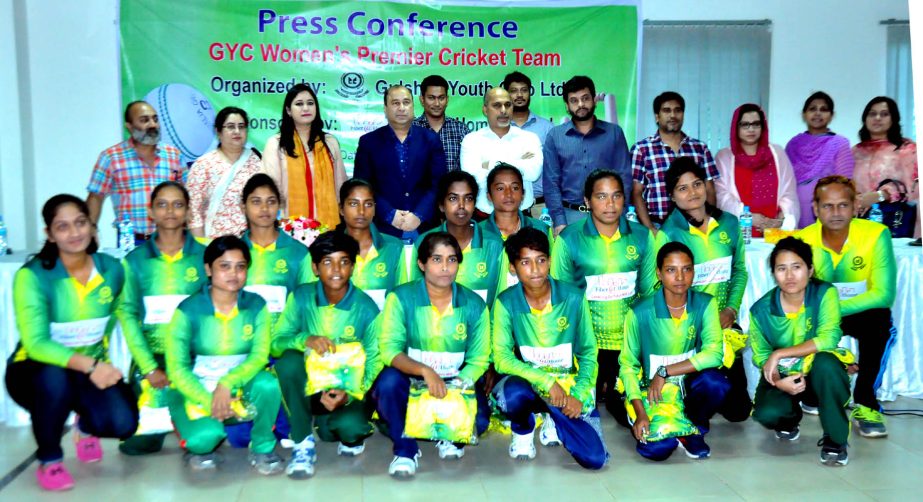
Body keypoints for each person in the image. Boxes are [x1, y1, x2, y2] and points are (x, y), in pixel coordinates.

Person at [5, 194, 138, 491]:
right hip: (34, 372)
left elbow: (127, 317)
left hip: (85, 373)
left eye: (80, 223)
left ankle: (85, 424)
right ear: (49, 234)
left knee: (123, 423)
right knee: (54, 378)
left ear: (92, 226)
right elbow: (36, 343)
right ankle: (50, 459)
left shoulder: (113, 269)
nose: (74, 232)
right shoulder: (33, 276)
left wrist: (149, 365)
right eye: (62, 227)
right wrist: (93, 366)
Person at [374, 232, 491, 478]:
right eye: (437, 259)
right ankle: (405, 450)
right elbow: (389, 350)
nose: (445, 268)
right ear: (421, 264)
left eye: (452, 260)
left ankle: (449, 437)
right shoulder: (401, 297)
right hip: (412, 379)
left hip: (455, 381)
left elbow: (480, 359)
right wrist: (425, 372)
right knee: (387, 383)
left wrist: (455, 388)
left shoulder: (474, 304)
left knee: (478, 422)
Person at [165, 236, 283, 474]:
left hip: (238, 387)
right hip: (197, 390)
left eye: (241, 267)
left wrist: (227, 384)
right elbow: (177, 369)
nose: (234, 274)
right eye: (224, 266)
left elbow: (259, 356)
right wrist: (211, 400)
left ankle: (262, 447)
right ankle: (194, 438)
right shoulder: (188, 311)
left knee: (268, 385)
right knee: (204, 440)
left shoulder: (256, 306)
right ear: (208, 269)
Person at [491, 227, 608, 469]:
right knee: (513, 393)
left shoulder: (573, 297)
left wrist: (579, 393)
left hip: (569, 388)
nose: (535, 270)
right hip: (533, 385)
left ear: (550, 261)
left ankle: (552, 417)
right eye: (525, 262)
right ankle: (523, 431)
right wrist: (546, 381)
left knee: (595, 459)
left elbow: (588, 351)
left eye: (541, 260)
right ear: (513, 267)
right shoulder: (506, 301)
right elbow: (501, 358)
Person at [272, 231, 383, 479]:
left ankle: (338, 426)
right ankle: (302, 443)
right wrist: (305, 339)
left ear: (353, 267)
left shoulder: (366, 308)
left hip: (349, 389)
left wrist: (351, 393)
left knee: (347, 429)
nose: (336, 269)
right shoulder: (301, 297)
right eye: (327, 262)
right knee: (288, 362)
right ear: (315, 267)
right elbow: (276, 343)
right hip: (311, 387)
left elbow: (376, 360)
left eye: (344, 261)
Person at [550, 169, 656, 425]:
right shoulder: (569, 238)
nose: (610, 204)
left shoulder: (642, 236)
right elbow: (560, 299)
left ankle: (615, 393)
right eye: (601, 196)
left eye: (616, 196)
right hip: (586, 347)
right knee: (576, 409)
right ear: (587, 201)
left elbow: (650, 293)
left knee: (630, 413)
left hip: (628, 346)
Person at [797, 176, 897, 438]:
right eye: (827, 206)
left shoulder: (876, 234)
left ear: (855, 206)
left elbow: (884, 295)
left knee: (880, 323)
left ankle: (865, 403)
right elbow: (797, 293)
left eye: (843, 205)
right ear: (815, 209)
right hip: (821, 314)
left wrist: (834, 307)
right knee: (798, 320)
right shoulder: (803, 240)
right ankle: (810, 391)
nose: (836, 212)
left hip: (862, 311)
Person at [654, 158, 751, 421]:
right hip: (689, 328)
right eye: (682, 188)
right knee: (708, 388)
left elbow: (739, 270)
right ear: (672, 196)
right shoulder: (668, 234)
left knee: (739, 413)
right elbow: (661, 286)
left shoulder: (729, 223)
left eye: (697, 184)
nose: (693, 192)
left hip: (726, 324)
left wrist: (730, 309)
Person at [118, 182, 208, 455]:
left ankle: (185, 416)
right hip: (154, 359)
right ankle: (165, 414)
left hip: (196, 358)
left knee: (203, 440)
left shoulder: (205, 256)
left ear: (188, 211)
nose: (170, 211)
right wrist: (148, 367)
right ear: (150, 212)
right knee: (139, 446)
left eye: (178, 204)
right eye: (162, 204)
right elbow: (128, 315)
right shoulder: (134, 261)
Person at [620, 242, 729, 461]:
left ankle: (692, 428)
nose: (680, 277)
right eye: (671, 270)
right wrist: (641, 412)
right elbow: (628, 366)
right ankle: (645, 419)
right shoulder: (639, 312)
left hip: (688, 388)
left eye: (686, 269)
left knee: (716, 383)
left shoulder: (705, 304)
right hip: (654, 393)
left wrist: (665, 371)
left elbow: (715, 353)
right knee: (656, 451)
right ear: (659, 273)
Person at [749, 237, 850, 466]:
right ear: (773, 273)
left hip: (818, 371)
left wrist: (780, 353)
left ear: (810, 269)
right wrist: (776, 381)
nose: (790, 276)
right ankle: (789, 418)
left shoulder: (825, 293)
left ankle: (835, 438)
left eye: (797, 267)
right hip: (786, 374)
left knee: (826, 364)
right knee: (766, 414)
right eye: (781, 269)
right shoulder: (761, 310)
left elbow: (829, 337)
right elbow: (762, 356)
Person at [354, 85, 447, 240]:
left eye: (406, 102)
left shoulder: (431, 140)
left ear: (413, 106)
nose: (402, 108)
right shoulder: (369, 142)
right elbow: (363, 186)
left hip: (424, 227)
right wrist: (390, 214)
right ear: (385, 108)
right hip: (383, 227)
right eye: (395, 103)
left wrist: (419, 214)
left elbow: (438, 184)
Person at [543, 76, 631, 234]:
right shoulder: (555, 136)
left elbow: (624, 177)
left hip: (608, 214)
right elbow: (551, 184)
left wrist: (620, 215)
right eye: (574, 100)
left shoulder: (614, 133)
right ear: (567, 105)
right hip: (570, 217)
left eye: (585, 98)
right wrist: (559, 221)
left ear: (594, 100)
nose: (581, 104)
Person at [86, 100, 184, 243]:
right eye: (144, 120)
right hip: (131, 241)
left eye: (155, 119)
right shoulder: (111, 157)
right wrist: (91, 228)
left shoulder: (173, 155)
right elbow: (96, 196)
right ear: (129, 127)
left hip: (170, 239)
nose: (152, 124)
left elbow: (187, 195)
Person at [410, 171, 505, 307]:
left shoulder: (494, 244)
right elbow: (415, 296)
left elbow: (501, 299)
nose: (461, 205)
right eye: (453, 199)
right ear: (441, 205)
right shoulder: (423, 242)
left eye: (468, 198)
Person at [631, 91, 719, 232]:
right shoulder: (641, 150)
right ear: (657, 117)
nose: (673, 115)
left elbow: (709, 189)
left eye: (677, 110)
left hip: (695, 227)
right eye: (667, 111)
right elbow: (636, 193)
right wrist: (650, 228)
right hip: (658, 226)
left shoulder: (700, 148)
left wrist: (708, 222)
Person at [262, 83, 347, 225]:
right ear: (289, 110)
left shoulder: (330, 143)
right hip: (289, 227)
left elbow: (340, 186)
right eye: (299, 104)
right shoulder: (276, 144)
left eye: (310, 103)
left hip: (328, 227)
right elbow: (270, 190)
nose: (306, 108)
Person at [240, 174, 314, 326]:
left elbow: (309, 303)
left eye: (271, 201)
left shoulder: (298, 253)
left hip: (285, 344)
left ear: (280, 205)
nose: (264, 208)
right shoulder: (234, 252)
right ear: (243, 207)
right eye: (256, 202)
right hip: (244, 342)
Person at [715, 104, 800, 235]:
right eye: (745, 125)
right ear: (736, 127)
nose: (751, 129)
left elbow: (789, 192)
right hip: (740, 232)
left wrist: (781, 220)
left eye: (756, 124)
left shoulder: (777, 153)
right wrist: (749, 218)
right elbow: (722, 197)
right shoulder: (724, 157)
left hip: (774, 231)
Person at [459, 87, 543, 219]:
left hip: (522, 217)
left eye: (508, 105)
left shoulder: (529, 138)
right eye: (497, 105)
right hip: (484, 217)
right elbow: (474, 180)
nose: (503, 110)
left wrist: (487, 164)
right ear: (485, 110)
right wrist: (518, 161)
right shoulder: (471, 140)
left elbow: (533, 173)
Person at [187, 106, 263, 239]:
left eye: (241, 126)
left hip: (251, 242)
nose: (237, 131)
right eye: (230, 126)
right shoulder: (203, 165)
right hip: (215, 245)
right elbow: (194, 212)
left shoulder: (257, 161)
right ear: (218, 131)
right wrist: (200, 248)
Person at [480, 163, 553, 295]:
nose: (508, 194)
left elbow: (552, 275)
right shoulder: (477, 234)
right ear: (489, 196)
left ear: (523, 194)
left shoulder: (541, 229)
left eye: (515, 187)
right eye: (500, 188)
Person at [851, 96, 920, 237]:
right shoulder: (855, 151)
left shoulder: (907, 149)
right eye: (872, 113)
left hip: (893, 222)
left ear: (893, 119)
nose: (877, 118)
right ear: (865, 119)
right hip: (859, 223)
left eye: (884, 114)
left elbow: (913, 193)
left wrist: (880, 196)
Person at [784, 91, 854, 228]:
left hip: (827, 211)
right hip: (796, 211)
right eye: (812, 109)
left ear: (831, 115)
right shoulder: (793, 144)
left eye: (823, 110)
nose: (817, 113)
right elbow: (785, 181)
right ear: (804, 114)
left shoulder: (839, 144)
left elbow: (844, 184)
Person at [337, 178, 409, 309]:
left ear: (375, 209)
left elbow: (404, 298)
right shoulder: (330, 247)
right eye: (353, 204)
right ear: (341, 209)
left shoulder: (394, 247)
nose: (361, 211)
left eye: (368, 204)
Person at [502, 71, 554, 211]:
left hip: (540, 206)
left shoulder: (547, 128)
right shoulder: (498, 128)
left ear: (530, 93)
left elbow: (554, 168)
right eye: (514, 91)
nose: (519, 95)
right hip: (505, 205)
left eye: (524, 90)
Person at [412, 74, 470, 173]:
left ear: (447, 99)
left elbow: (468, 170)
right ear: (422, 99)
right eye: (431, 98)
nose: (437, 103)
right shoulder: (411, 129)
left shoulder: (461, 130)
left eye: (441, 98)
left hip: (452, 188)